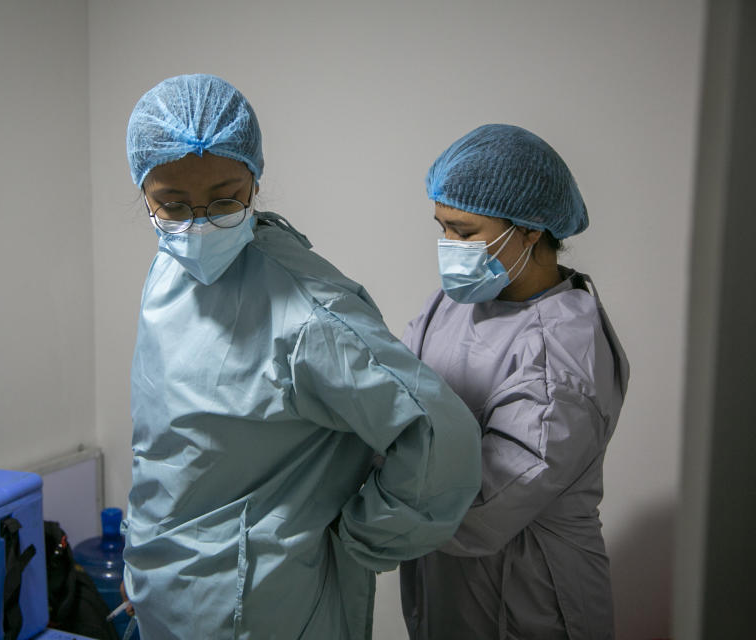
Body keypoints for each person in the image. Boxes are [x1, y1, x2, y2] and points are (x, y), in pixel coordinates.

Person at [120, 74, 482, 639]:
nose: (199, 224)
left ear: (255, 179)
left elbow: (440, 437)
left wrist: (362, 538)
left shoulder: (309, 313)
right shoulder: (170, 269)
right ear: (143, 191)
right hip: (163, 584)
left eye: (225, 199)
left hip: (265, 604)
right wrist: (141, 554)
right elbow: (166, 442)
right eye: (172, 205)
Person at [398, 124, 630, 639]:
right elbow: (396, 398)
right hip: (450, 581)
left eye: (463, 232)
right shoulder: (452, 304)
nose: (447, 247)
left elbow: (482, 507)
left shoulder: (561, 354)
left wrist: (359, 513)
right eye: (441, 227)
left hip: (532, 595)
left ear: (530, 228)